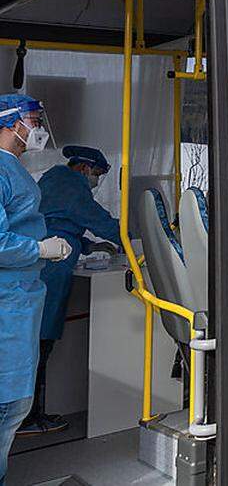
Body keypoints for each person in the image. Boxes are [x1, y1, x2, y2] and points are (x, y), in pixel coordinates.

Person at [20, 146, 120, 436]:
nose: (97, 180)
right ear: (85, 168)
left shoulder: (52, 181)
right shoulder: (70, 185)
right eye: (98, 174)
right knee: (41, 343)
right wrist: (138, 234)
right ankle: (29, 418)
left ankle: (29, 414)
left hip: (43, 267)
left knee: (36, 343)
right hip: (50, 272)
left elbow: (60, 223)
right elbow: (99, 222)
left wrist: (89, 246)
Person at [0, 94, 72, 483]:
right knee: (7, 405)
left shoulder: (13, 169)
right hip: (6, 301)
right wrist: (39, 248)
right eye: (32, 120)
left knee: (11, 405)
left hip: (19, 297)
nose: (37, 128)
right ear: (11, 123)